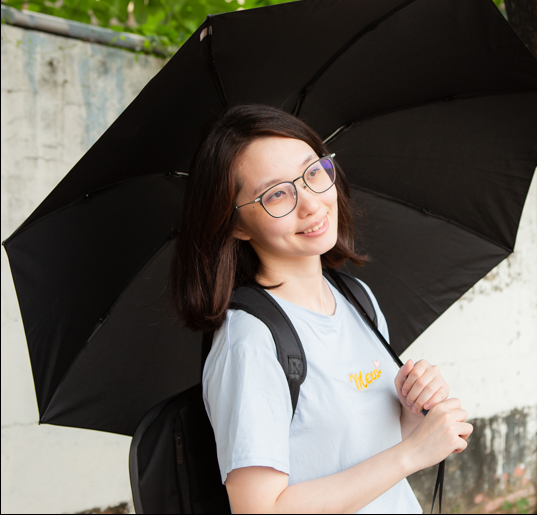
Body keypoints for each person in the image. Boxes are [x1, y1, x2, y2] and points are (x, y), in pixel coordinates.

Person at [169, 103, 472, 513]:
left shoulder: (356, 298)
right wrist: (412, 453)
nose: (311, 203)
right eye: (277, 194)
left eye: (313, 173)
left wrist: (413, 414)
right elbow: (261, 510)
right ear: (236, 223)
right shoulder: (251, 342)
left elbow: (361, 456)